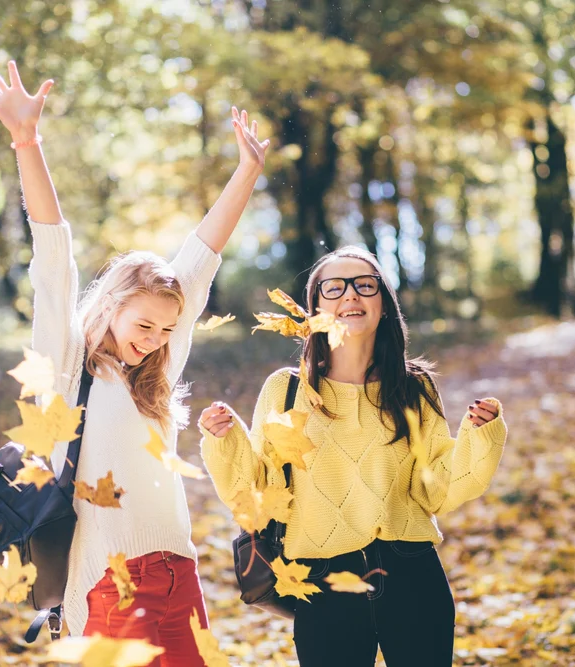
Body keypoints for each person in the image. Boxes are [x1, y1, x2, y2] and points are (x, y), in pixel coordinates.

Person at [0, 61, 269, 663]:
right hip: (105, 582)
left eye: (166, 328)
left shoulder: (156, 369)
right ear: (110, 308)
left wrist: (247, 171)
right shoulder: (68, 364)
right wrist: (27, 142)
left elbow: (201, 257)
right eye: (143, 325)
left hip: (178, 570)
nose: (156, 338)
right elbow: (55, 259)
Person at [198, 247, 508, 667]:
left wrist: (479, 434)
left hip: (412, 572)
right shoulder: (286, 391)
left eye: (365, 285)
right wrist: (226, 440)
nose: (350, 296)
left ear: (384, 305)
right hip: (322, 580)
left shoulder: (414, 388)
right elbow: (256, 489)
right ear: (315, 309)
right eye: (334, 287)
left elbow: (435, 488)